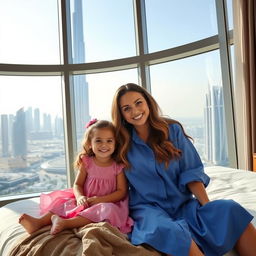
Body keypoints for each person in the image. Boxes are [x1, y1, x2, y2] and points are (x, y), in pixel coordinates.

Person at [111, 83, 256, 256]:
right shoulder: (120, 144)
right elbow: (101, 165)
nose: (135, 111)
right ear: (121, 114)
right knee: (174, 233)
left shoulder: (172, 131)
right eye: (127, 108)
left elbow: (191, 171)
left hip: (183, 204)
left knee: (230, 209)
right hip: (148, 210)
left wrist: (207, 206)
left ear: (148, 103)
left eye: (138, 103)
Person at [19, 119, 133, 235]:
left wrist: (100, 200)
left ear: (115, 143)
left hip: (109, 202)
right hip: (86, 199)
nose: (104, 145)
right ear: (90, 144)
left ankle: (65, 223)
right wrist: (79, 197)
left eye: (109, 141)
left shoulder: (117, 166)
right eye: (98, 141)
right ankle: (39, 222)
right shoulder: (87, 162)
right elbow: (77, 184)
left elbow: (121, 192)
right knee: (64, 203)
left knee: (105, 209)